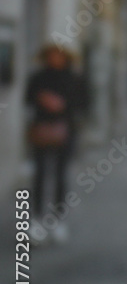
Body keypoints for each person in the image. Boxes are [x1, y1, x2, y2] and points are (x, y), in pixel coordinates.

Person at [24, 44, 88, 245]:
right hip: (42, 131)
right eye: (51, 55)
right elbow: (27, 99)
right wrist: (41, 99)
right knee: (40, 174)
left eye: (58, 55)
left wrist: (62, 104)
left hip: (65, 132)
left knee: (61, 175)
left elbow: (83, 103)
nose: (55, 59)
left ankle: (58, 219)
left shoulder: (74, 79)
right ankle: (36, 218)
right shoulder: (38, 78)